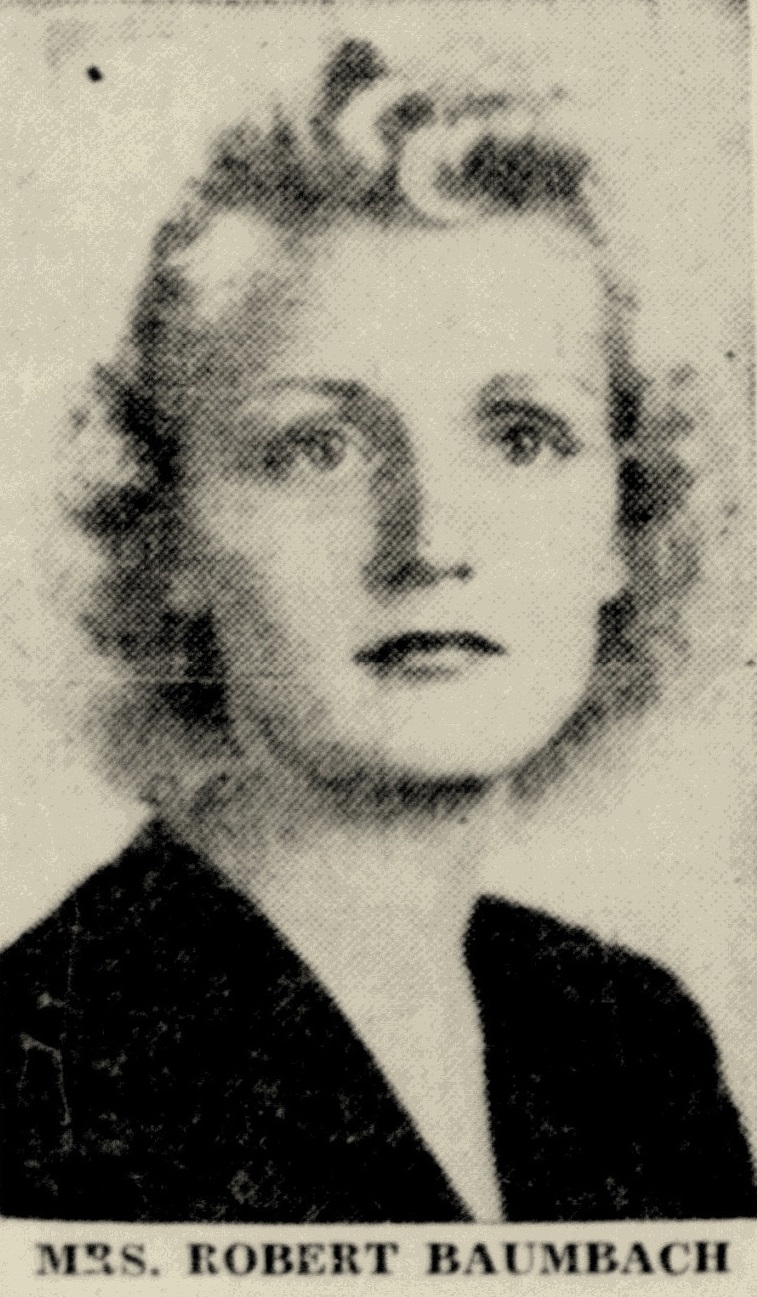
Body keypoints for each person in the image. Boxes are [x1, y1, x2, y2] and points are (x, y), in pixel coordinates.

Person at [1, 39, 754, 1224]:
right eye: (318, 448)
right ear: (170, 527)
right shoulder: (39, 1070)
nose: (431, 541)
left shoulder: (628, 1037)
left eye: (521, 436)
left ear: (623, 516)